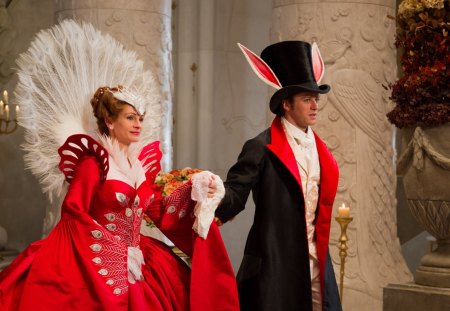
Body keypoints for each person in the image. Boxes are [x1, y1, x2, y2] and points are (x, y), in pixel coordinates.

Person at [0, 20, 239, 311]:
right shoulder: (94, 162)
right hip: (100, 261)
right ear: (110, 122)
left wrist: (193, 188)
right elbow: (73, 211)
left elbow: (157, 211)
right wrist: (112, 253)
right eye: (130, 117)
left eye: (140, 117)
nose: (138, 124)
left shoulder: (138, 166)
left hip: (142, 258)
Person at [215, 41, 342, 311]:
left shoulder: (321, 151)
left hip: (317, 260)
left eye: (316, 99)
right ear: (286, 104)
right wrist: (213, 194)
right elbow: (236, 193)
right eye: (307, 99)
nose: (314, 105)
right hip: (275, 265)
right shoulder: (261, 146)